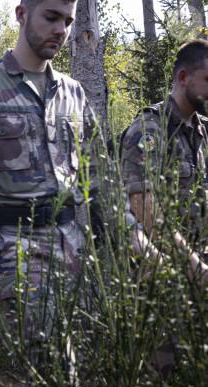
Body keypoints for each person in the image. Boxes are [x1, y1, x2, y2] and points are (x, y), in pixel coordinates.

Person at [0, 0, 156, 378]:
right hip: (14, 249)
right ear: (21, 15)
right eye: (51, 17)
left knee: (86, 362)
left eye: (68, 22)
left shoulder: (72, 92)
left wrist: (131, 232)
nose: (61, 30)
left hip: (75, 246)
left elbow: (98, 175)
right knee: (50, 366)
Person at [121, 39, 208, 377]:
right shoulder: (150, 130)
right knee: (156, 372)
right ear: (184, 77)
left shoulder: (201, 131)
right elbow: (146, 211)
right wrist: (193, 266)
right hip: (160, 276)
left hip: (197, 267)